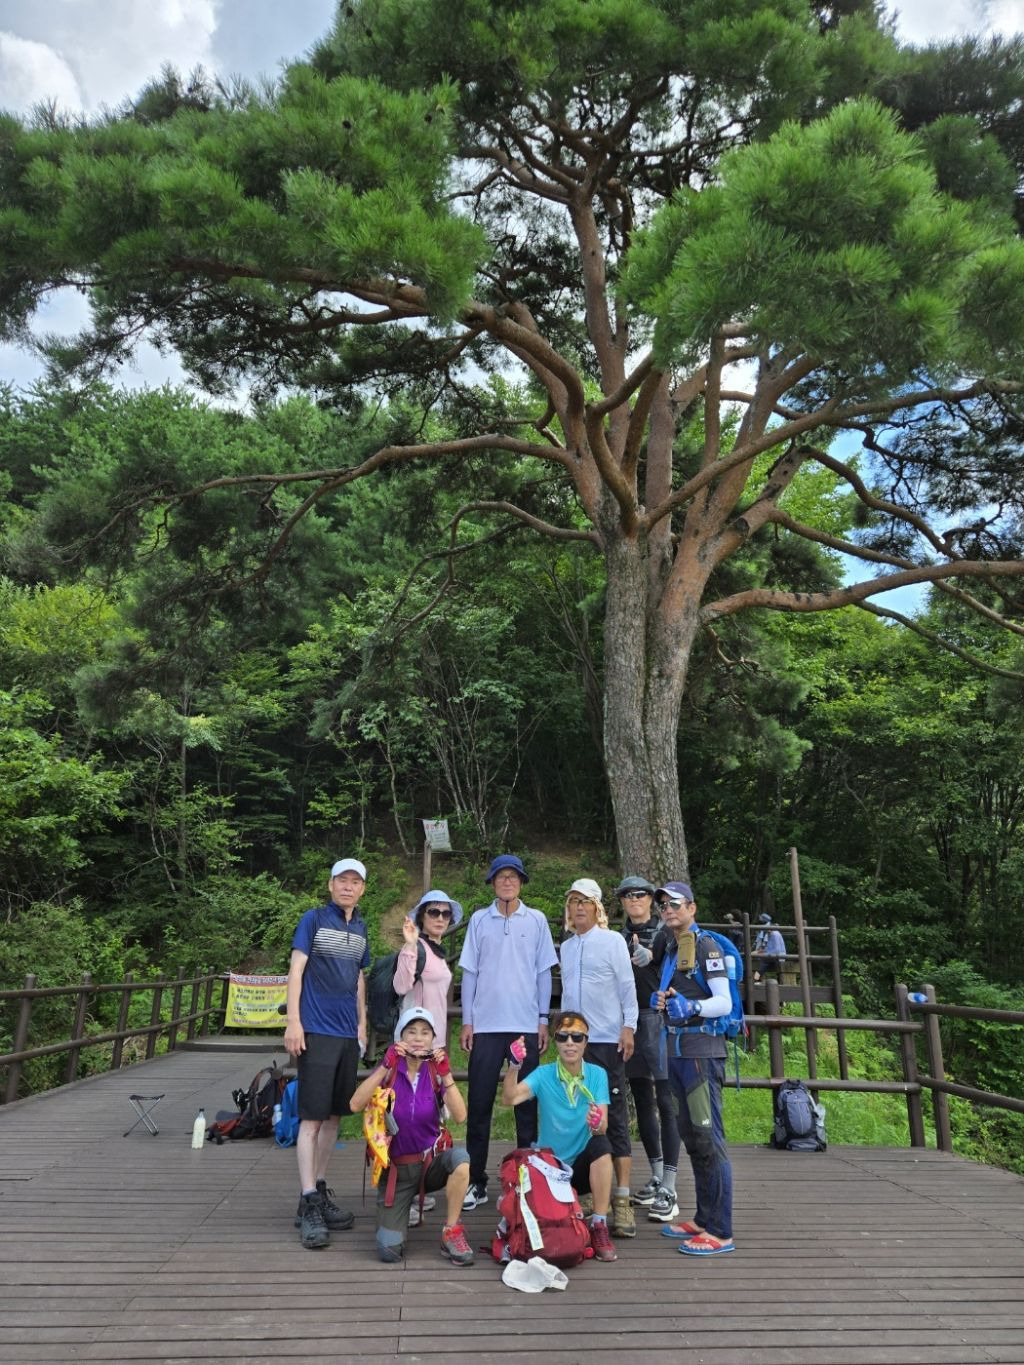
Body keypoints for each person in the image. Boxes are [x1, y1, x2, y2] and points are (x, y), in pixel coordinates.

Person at [458, 854, 558, 1210]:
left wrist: (542, 1019)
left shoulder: (537, 920)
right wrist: (467, 1020)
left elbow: (544, 973)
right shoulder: (478, 920)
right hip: (486, 1026)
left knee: (526, 1106)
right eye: (500, 876)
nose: (507, 881)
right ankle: (475, 1181)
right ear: (492, 882)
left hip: (524, 1026)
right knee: (479, 1104)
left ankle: (525, 1180)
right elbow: (469, 972)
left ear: (521, 882)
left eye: (513, 876)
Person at [284, 857, 370, 1250]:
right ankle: (306, 1202)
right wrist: (294, 1022)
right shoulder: (313, 920)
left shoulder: (361, 928)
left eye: (355, 882)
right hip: (316, 1031)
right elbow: (296, 971)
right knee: (311, 1119)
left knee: (335, 1118)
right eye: (342, 880)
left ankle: (318, 1188)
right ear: (330, 884)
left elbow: (359, 979)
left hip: (347, 1034)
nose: (348, 887)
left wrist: (362, 1025)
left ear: (362, 889)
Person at [349, 1006, 474, 1266]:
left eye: (425, 1032)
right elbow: (355, 1104)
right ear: (401, 1037)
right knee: (389, 1252)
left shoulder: (435, 1072)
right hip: (395, 1171)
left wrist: (446, 1074)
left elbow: (461, 1116)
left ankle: (451, 1231)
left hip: (429, 1164)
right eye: (412, 1032)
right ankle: (402, 1209)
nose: (418, 1038)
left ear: (433, 1039)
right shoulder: (390, 1070)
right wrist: (384, 1066)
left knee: (461, 1160)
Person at [652, 880, 736, 1256]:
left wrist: (694, 1007)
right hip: (677, 1052)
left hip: (702, 1053)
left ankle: (721, 1231)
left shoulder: (706, 946)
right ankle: (703, 1218)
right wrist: (665, 1000)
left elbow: (724, 1001)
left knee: (708, 1139)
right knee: (691, 1136)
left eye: (675, 904)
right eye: (663, 905)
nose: (668, 910)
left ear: (692, 908)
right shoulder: (674, 947)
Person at [501, 1010, 618, 1263]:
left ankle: (599, 1225)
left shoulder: (597, 1074)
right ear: (555, 1041)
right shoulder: (544, 1074)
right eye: (563, 1037)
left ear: (586, 1042)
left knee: (602, 1145)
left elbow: (602, 1128)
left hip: (582, 1168)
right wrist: (514, 1066)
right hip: (551, 1169)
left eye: (577, 1037)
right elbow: (509, 1098)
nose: (570, 1043)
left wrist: (596, 1123)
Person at [558, 878, 638, 1238]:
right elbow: (566, 996)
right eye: (573, 901)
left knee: (614, 1116)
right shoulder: (567, 947)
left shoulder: (612, 941)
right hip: (574, 1041)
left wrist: (629, 1026)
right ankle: (589, 1190)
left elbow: (627, 987)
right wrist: (562, 1033)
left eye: (585, 902)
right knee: (578, 1114)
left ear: (597, 908)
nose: (578, 907)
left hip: (607, 1040)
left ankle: (621, 1198)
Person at [615, 875, 681, 1225]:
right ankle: (656, 1175)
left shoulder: (666, 930)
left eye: (641, 894)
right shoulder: (617, 937)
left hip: (660, 1020)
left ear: (651, 900)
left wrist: (651, 956)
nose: (635, 899)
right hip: (629, 1022)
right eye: (628, 895)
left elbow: (673, 959)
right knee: (641, 1099)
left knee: (666, 1102)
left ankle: (670, 1184)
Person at [393, 889, 462, 1049]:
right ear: (422, 916)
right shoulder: (414, 948)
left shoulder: (437, 952)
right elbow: (401, 987)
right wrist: (410, 944)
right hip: (413, 1041)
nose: (440, 918)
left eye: (446, 914)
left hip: (434, 1040)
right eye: (433, 912)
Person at [752, 913, 787, 982]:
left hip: (776, 956)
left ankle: (756, 979)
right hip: (778, 956)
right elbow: (770, 947)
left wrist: (760, 952)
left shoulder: (773, 934)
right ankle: (757, 978)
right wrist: (761, 951)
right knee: (763, 962)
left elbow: (774, 950)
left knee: (762, 963)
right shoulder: (775, 933)